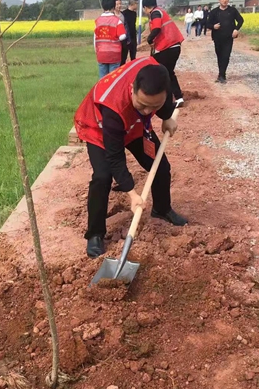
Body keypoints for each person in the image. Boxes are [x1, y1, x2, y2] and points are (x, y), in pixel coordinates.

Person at [73, 58, 188, 258]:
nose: (147, 111)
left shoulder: (158, 75)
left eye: (153, 107)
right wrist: (132, 194)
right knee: (102, 177)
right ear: (133, 88)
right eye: (143, 105)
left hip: (134, 125)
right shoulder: (113, 107)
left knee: (160, 165)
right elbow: (115, 157)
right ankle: (95, 234)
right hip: (98, 128)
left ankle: (162, 208)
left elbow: (164, 100)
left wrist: (167, 116)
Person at [142, 0, 186, 107]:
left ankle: (164, 99)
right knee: (167, 72)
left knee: (162, 73)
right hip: (173, 46)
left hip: (167, 47)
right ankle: (176, 97)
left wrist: (149, 39)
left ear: (145, 7)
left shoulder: (155, 13)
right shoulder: (161, 11)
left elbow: (156, 28)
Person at [207, 0, 244, 83]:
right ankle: (221, 74)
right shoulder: (214, 12)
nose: (225, 0)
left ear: (228, 0)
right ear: (219, 0)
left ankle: (222, 75)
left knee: (226, 56)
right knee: (219, 56)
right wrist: (213, 26)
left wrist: (236, 29)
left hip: (229, 37)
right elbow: (207, 24)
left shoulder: (232, 11)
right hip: (217, 38)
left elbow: (240, 20)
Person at [95, 0, 127, 79]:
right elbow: (122, 36)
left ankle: (103, 92)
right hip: (114, 55)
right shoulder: (117, 21)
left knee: (103, 79)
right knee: (113, 79)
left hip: (101, 54)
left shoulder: (97, 21)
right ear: (113, 6)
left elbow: (95, 38)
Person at [122, 0, 139, 64]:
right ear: (133, 4)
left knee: (133, 57)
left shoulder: (134, 14)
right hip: (126, 38)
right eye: (136, 3)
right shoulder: (124, 13)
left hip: (133, 37)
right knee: (123, 57)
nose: (137, 5)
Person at [114, 0, 130, 67]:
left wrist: (128, 39)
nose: (119, 6)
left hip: (123, 40)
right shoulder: (112, 15)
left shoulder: (123, 15)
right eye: (117, 4)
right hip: (115, 40)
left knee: (123, 59)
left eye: (120, 4)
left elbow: (127, 28)